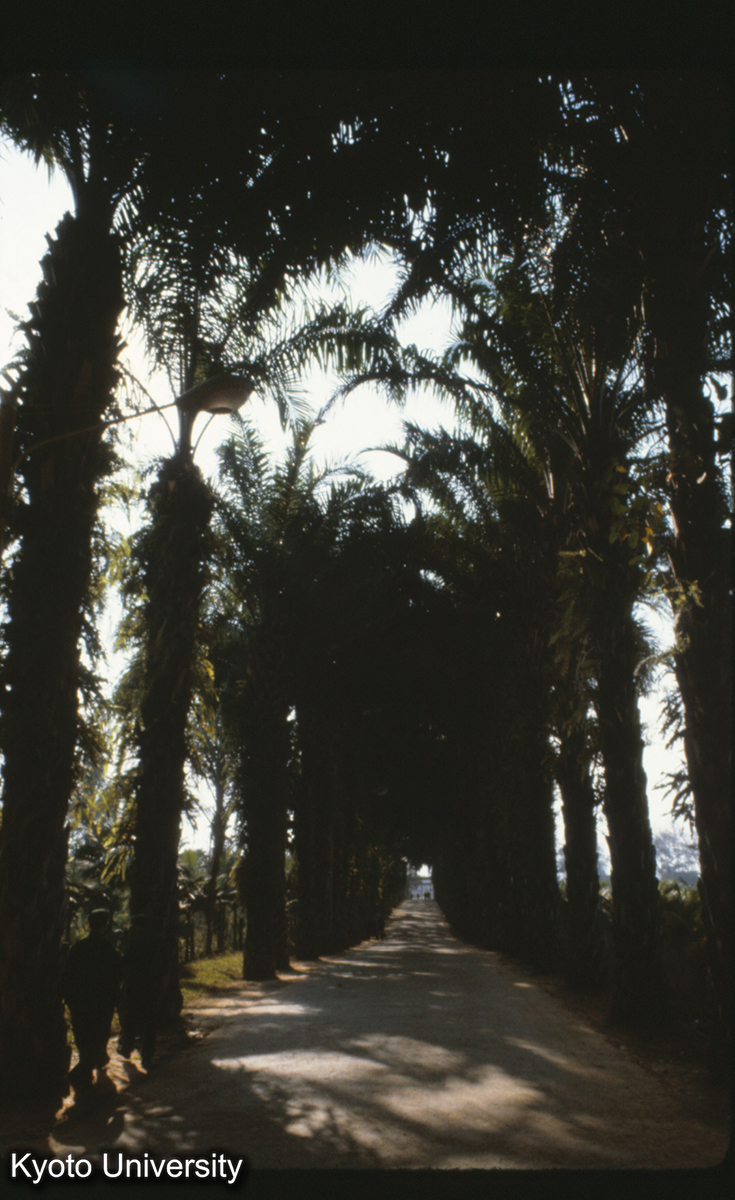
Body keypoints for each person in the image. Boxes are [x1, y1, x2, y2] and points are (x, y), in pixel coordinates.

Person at [61, 909, 122, 1091]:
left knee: (83, 1036)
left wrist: (70, 999)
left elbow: (67, 976)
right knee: (99, 1034)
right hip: (101, 1003)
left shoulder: (79, 947)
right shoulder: (108, 949)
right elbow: (118, 974)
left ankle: (88, 1068)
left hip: (80, 1002)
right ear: (105, 926)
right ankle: (85, 1069)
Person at [118, 914, 164, 1071]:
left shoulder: (134, 943)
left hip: (135, 987)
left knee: (130, 1020)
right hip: (149, 988)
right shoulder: (155, 943)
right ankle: (146, 1057)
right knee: (148, 1024)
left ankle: (127, 1048)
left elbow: (125, 964)